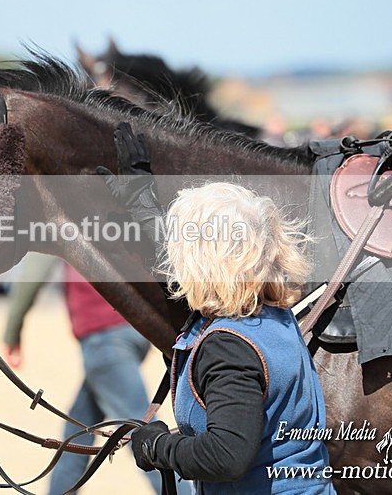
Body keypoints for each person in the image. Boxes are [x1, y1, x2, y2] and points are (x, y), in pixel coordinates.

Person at [98, 122, 334, 493]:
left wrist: (158, 447)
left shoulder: (228, 347)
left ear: (206, 262)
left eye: (183, 247)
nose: (177, 256)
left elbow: (227, 455)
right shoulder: (270, 314)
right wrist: (143, 207)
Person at [3, 253, 179, 495]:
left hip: (104, 340)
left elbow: (34, 270)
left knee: (146, 439)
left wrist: (12, 334)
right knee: (75, 438)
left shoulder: (65, 229)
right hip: (134, 332)